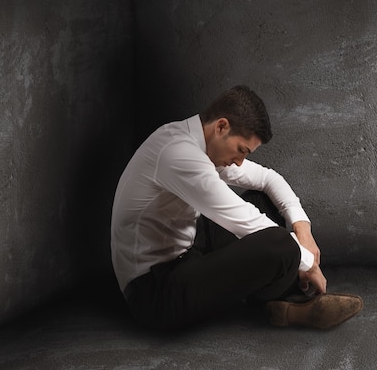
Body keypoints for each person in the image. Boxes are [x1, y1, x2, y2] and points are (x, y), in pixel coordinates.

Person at [110, 85, 362, 330]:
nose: (240, 163)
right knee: (280, 243)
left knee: (262, 202)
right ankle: (289, 302)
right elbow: (246, 222)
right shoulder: (177, 153)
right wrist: (308, 263)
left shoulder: (200, 142)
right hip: (154, 293)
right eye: (241, 150)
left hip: (188, 254)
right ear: (221, 126)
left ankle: (280, 303)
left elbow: (268, 179)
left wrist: (303, 230)